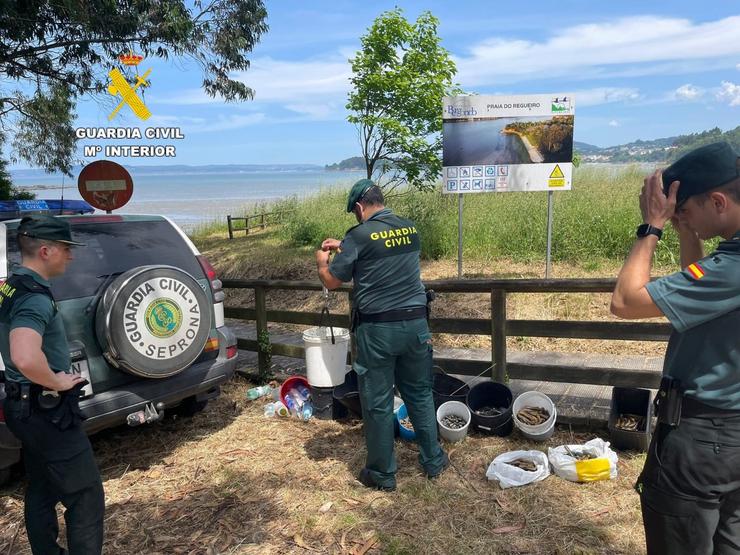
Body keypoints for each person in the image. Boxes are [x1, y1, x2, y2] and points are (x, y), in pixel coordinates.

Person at [610, 141, 740, 554]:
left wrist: (652, 227)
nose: (680, 217)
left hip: (703, 437)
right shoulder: (727, 264)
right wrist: (687, 228)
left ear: (717, 200)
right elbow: (701, 289)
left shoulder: (732, 268)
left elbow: (625, 301)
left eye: (685, 211)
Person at [315, 179, 448, 491]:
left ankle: (382, 474)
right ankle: (433, 460)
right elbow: (383, 249)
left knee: (376, 400)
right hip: (416, 326)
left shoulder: (358, 234)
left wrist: (323, 261)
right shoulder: (410, 228)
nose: (356, 219)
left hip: (378, 331)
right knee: (419, 392)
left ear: (360, 207)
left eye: (355, 213)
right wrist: (347, 248)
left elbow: (333, 281)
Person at [1, 215, 105, 554]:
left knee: (43, 486)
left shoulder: (11, 285)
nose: (71, 256)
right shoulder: (34, 297)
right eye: (66, 249)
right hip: (44, 409)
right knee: (86, 494)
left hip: (23, 405)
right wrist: (56, 381)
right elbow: (25, 356)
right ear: (45, 251)